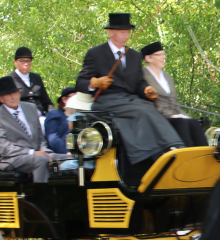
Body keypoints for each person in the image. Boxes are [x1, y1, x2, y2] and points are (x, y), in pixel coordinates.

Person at [75, 13, 184, 182]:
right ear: (111, 32)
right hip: (107, 101)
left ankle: (171, 148)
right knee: (142, 109)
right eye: (122, 32)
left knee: (147, 106)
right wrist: (96, 82)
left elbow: (138, 82)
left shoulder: (133, 55)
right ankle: (164, 149)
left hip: (130, 100)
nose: (126, 36)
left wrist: (146, 89)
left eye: (128, 32)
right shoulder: (95, 53)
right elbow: (81, 82)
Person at [0, 76, 66, 183]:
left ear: (19, 93)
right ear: (1, 99)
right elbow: (4, 147)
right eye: (7, 95)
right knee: (41, 160)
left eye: (14, 93)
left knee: (73, 158)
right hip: (14, 158)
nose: (12, 97)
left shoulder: (31, 108)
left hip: (39, 154)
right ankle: (41, 196)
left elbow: (40, 138)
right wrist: (33, 153)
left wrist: (45, 151)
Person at [141, 41, 208, 147]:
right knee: (181, 123)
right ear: (148, 58)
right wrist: (170, 115)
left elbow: (174, 103)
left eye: (164, 54)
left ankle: (203, 157)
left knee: (194, 122)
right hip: (157, 117)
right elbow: (148, 104)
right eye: (160, 55)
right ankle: (185, 157)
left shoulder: (167, 76)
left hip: (175, 114)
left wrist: (185, 116)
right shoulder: (143, 76)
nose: (164, 57)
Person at [8, 47, 54, 119]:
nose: (26, 64)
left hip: (39, 114)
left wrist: (53, 114)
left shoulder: (36, 78)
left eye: (28, 61)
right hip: (21, 115)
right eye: (22, 61)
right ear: (15, 62)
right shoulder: (9, 79)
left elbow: (46, 101)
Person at [44, 87, 76, 154]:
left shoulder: (82, 117)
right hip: (59, 155)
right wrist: (66, 152)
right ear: (64, 99)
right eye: (75, 97)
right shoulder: (54, 114)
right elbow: (53, 138)